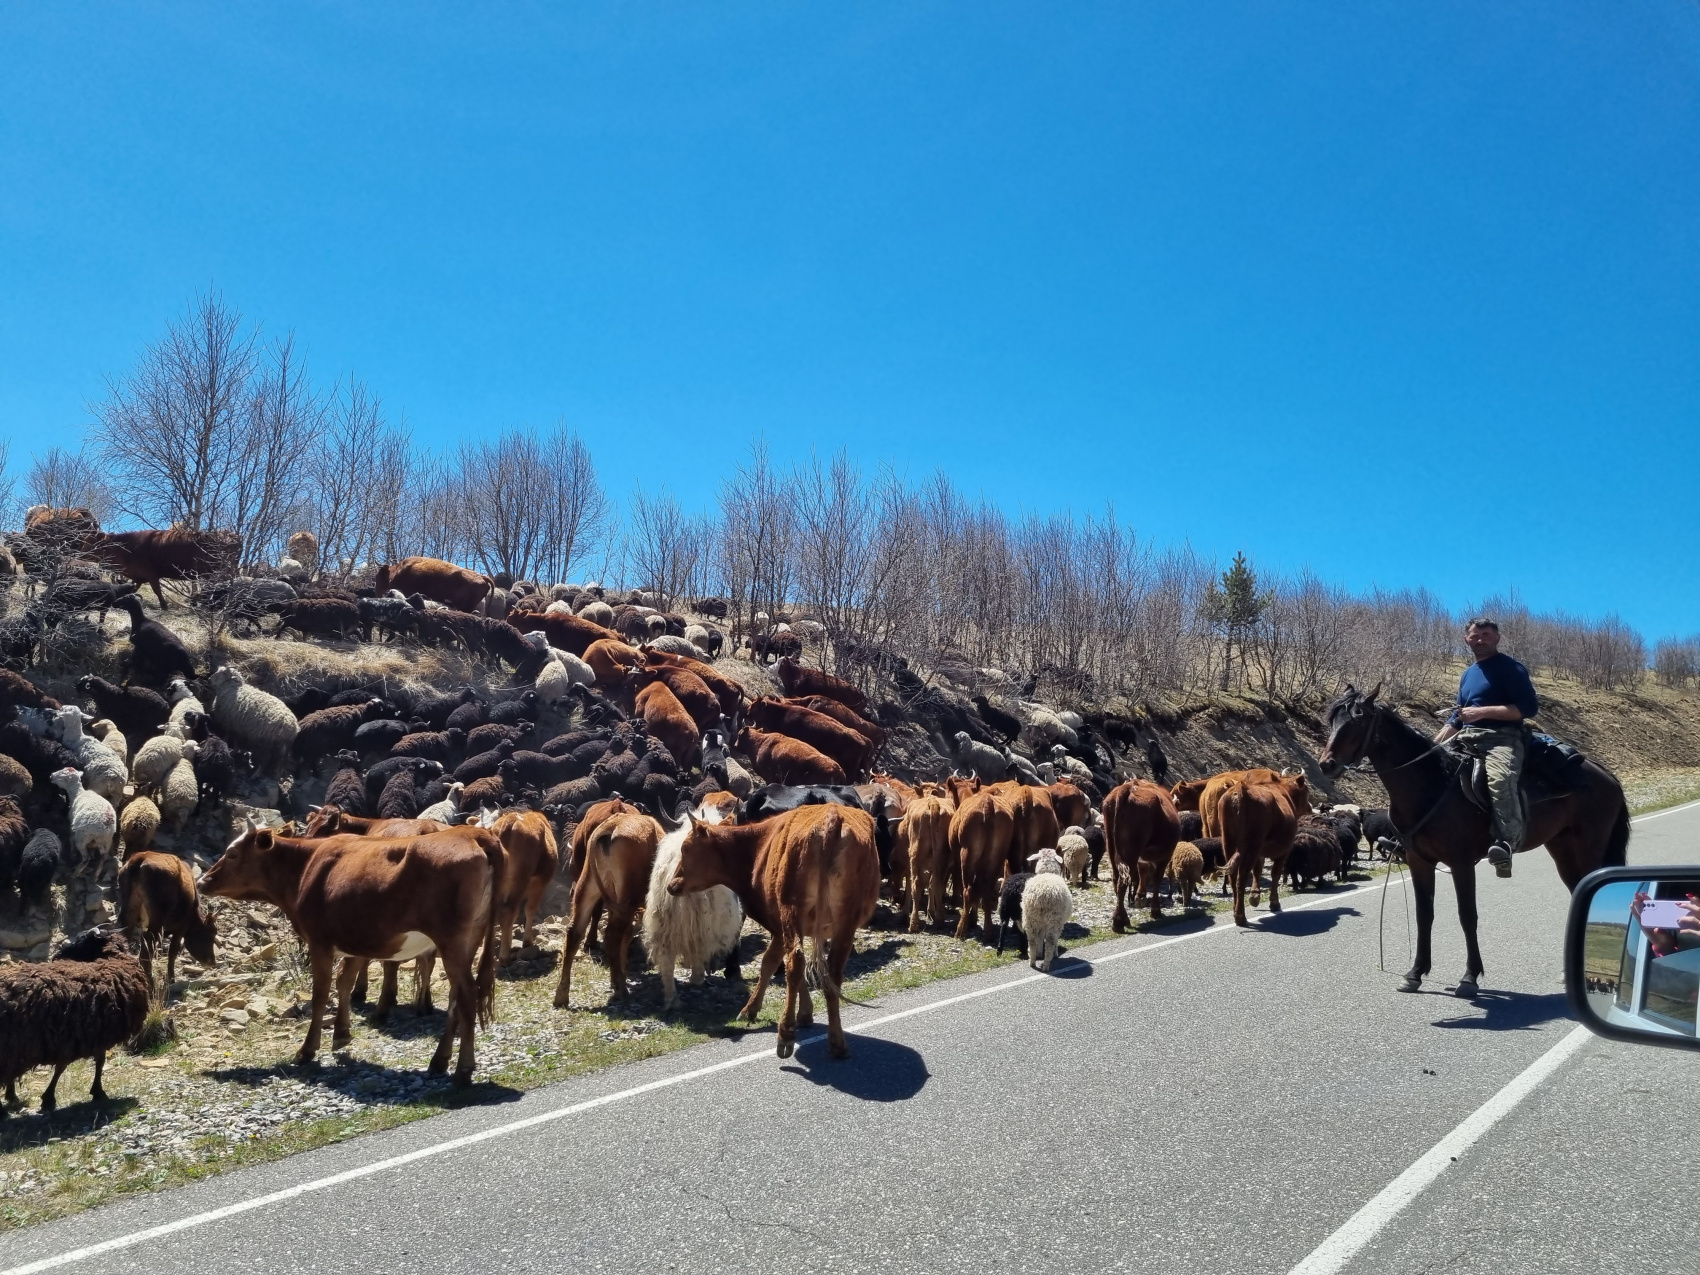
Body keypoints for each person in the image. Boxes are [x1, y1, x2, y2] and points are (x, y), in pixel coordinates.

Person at [1433, 617, 1538, 878]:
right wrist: (1431, 746)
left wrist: (1481, 712)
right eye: (1475, 635)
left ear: (1497, 638)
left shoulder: (1511, 668)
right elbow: (1457, 718)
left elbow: (1527, 708)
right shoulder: (1468, 674)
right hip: (1466, 737)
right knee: (1428, 773)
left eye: (1486, 635)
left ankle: (1505, 844)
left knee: (1500, 780)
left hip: (1502, 738)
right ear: (1466, 639)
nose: (1480, 639)